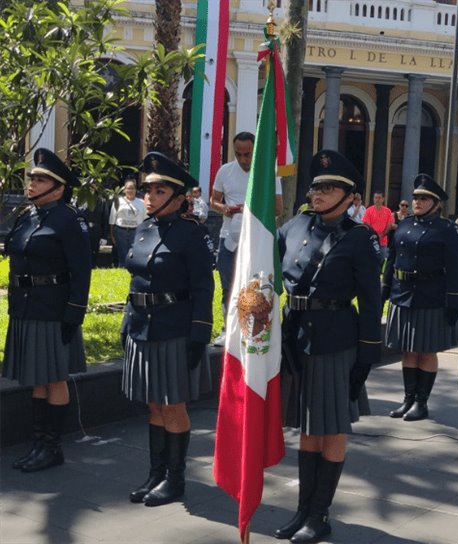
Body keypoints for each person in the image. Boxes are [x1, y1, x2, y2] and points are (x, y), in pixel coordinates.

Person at [274, 150, 381, 543]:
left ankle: (320, 514)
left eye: (329, 187)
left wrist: (368, 354)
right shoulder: (294, 227)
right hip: (296, 336)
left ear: (350, 196)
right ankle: (303, 509)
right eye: (316, 186)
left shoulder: (359, 239)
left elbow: (372, 301)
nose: (319, 193)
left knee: (332, 427)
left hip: (336, 340)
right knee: (307, 426)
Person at [122, 152, 215, 506]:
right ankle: (155, 473)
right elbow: (135, 280)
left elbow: (204, 289)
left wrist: (199, 334)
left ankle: (175, 480)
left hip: (174, 328)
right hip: (142, 326)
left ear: (178, 198)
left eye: (159, 191)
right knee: (153, 406)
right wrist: (126, 324)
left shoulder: (192, 234)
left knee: (172, 406)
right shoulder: (144, 228)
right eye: (147, 190)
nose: (149, 197)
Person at [3, 148, 92, 473]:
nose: (32, 182)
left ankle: (52, 447)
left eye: (40, 179)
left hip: (54, 309)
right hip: (27, 307)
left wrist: (74, 313)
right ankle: (39, 444)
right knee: (38, 380)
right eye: (32, 177)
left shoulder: (70, 220)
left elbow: (82, 271)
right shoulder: (28, 217)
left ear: (59, 187)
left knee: (54, 379)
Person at [382, 174, 458, 422]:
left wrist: (454, 301)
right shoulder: (403, 225)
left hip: (430, 296)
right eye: (415, 197)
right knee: (407, 351)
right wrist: (384, 289)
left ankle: (421, 402)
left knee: (426, 351)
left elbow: (456, 268)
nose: (417, 201)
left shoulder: (446, 229)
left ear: (436, 203)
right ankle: (407, 399)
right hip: (402, 294)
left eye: (424, 198)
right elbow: (391, 259)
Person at [210, 131, 284, 346]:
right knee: (228, 286)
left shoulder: (269, 172)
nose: (243, 159)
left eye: (248, 154)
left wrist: (253, 210)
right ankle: (228, 329)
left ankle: (255, 329)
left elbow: (278, 208)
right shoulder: (225, 171)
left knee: (256, 287)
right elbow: (214, 200)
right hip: (229, 238)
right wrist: (223, 207)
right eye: (239, 154)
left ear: (256, 151)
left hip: (257, 240)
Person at [108, 176, 145, 267]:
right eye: (128, 188)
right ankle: (122, 273)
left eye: (133, 188)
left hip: (136, 232)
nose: (130, 191)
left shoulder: (142, 203)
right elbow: (112, 219)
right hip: (120, 232)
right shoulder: (118, 201)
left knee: (133, 255)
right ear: (124, 190)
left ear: (136, 190)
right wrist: (112, 235)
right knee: (122, 255)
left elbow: (145, 220)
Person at [362, 190, 394, 263]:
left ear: (383, 199)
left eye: (379, 198)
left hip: (383, 242)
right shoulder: (368, 210)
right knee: (370, 261)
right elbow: (366, 224)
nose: (377, 200)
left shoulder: (388, 211)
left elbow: (389, 225)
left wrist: (381, 235)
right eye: (375, 198)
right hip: (371, 240)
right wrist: (375, 235)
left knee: (383, 262)